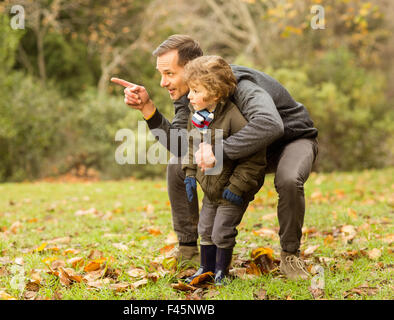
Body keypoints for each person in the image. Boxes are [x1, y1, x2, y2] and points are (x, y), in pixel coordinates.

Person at [111, 34, 318, 281]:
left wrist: (217, 152)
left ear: (190, 69)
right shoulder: (189, 96)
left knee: (289, 178)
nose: (163, 82)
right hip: (242, 151)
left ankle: (290, 256)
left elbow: (271, 125)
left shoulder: (240, 84)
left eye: (169, 73)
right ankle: (189, 251)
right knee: (178, 165)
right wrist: (148, 109)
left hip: (290, 141)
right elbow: (179, 146)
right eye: (160, 74)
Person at [181, 55, 266, 285]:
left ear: (215, 93)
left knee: (222, 231)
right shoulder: (195, 115)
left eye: (195, 91)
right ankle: (205, 268)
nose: (189, 96)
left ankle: (221, 272)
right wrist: (190, 172)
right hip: (210, 187)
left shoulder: (233, 118)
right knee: (205, 229)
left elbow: (255, 157)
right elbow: (191, 144)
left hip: (232, 189)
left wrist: (237, 187)